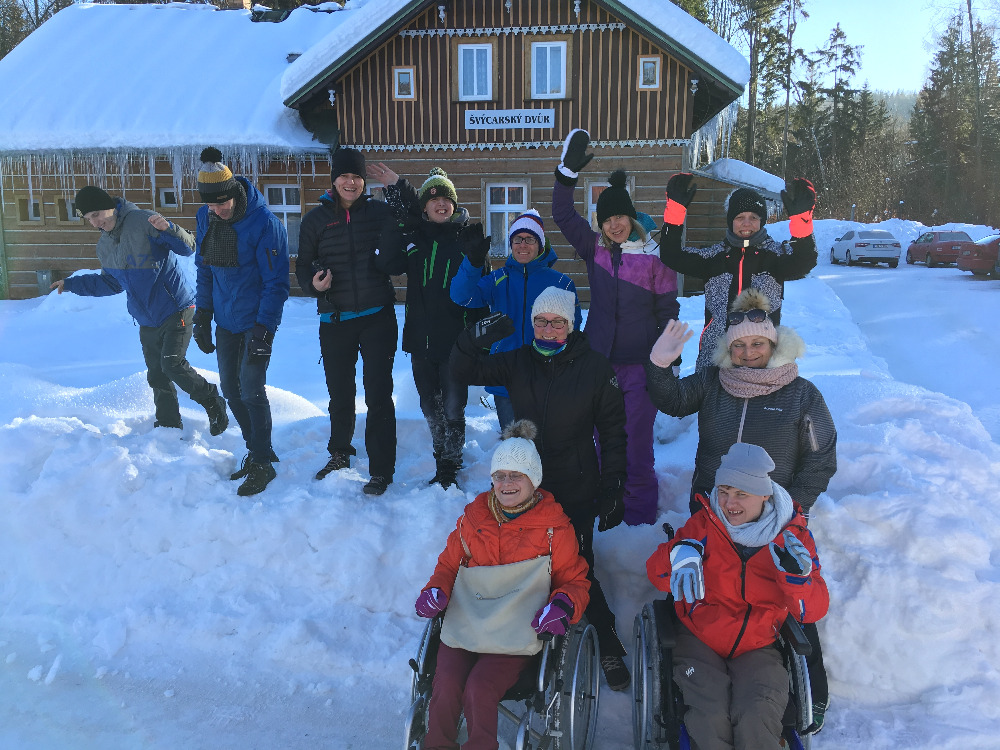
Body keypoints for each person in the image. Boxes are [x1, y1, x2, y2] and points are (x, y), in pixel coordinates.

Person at [450, 286, 632, 692]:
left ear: (571, 325)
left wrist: (614, 484)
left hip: (575, 485)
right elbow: (462, 369)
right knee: (521, 565)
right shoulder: (517, 361)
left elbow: (614, 432)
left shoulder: (596, 368)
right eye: (540, 321)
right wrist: (471, 339)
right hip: (523, 485)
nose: (548, 329)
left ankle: (607, 642)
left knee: (577, 564)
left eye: (557, 322)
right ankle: (514, 645)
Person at [415, 419, 590, 750]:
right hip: (468, 624)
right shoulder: (473, 520)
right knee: (447, 681)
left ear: (533, 480)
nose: (507, 483)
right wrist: (436, 588)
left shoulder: (555, 529)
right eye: (500, 476)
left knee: (480, 686)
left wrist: (563, 603)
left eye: (516, 475)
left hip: (515, 629)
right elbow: (449, 565)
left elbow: (574, 579)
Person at [645, 442, 829, 750]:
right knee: (710, 714)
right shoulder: (703, 525)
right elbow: (657, 575)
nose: (729, 503)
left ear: (765, 495)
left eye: (741, 493)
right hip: (699, 637)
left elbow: (812, 611)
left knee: (758, 712)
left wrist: (798, 580)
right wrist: (678, 553)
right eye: (724, 491)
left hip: (759, 643)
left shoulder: (792, 538)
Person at [552, 128, 680, 526]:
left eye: (620, 216)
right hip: (599, 365)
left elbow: (667, 310)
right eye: (607, 219)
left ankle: (639, 520)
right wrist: (566, 174)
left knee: (636, 446)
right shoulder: (594, 252)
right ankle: (604, 510)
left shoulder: (655, 258)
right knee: (599, 442)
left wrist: (668, 362)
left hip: (642, 368)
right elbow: (561, 214)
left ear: (631, 217)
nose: (614, 224)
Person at [51, 185, 229, 437]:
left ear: (110, 206)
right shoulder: (104, 246)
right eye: (89, 218)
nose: (95, 222)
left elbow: (188, 247)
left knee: (172, 364)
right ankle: (168, 426)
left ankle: (212, 399)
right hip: (146, 317)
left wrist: (169, 229)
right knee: (157, 374)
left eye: (97, 214)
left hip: (175, 307)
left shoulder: (144, 221)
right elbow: (110, 283)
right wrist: (71, 284)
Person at [645, 288, 837, 517]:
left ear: (773, 345)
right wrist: (659, 366)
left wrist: (791, 506)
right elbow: (674, 401)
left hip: (773, 513)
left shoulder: (801, 393)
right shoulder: (711, 381)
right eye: (739, 344)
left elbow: (820, 458)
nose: (748, 352)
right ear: (729, 348)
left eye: (758, 343)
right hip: (711, 508)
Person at [368, 163, 489, 489]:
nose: (441, 204)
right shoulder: (415, 240)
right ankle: (441, 455)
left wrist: (479, 340)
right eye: (433, 199)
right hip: (420, 339)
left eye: (446, 200)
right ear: (424, 207)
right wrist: (397, 222)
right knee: (429, 405)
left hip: (456, 341)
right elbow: (386, 263)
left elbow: (482, 293)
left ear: (453, 204)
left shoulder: (468, 239)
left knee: (452, 405)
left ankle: (451, 464)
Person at [296, 146, 406, 496]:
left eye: (356, 176)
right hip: (335, 319)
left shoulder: (378, 212)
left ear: (362, 181)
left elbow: (411, 217)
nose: (351, 182)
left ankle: (381, 470)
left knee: (378, 393)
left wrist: (397, 185)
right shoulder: (315, 220)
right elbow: (303, 267)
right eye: (344, 176)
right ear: (334, 180)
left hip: (377, 318)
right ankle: (340, 453)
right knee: (340, 393)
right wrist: (313, 284)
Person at [192, 147, 290, 497]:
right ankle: (256, 450)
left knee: (251, 388)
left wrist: (265, 330)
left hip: (255, 322)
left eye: (221, 204)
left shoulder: (265, 224)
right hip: (225, 320)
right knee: (231, 390)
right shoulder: (207, 217)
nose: (216, 211)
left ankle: (263, 461)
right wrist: (202, 314)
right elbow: (204, 269)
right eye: (210, 206)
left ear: (233, 192)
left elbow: (276, 283)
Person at [658, 173, 818, 371]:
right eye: (740, 217)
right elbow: (671, 255)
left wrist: (801, 222)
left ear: (762, 221)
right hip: (716, 359)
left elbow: (806, 260)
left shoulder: (775, 256)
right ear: (730, 221)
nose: (746, 223)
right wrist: (675, 213)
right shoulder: (713, 257)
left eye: (753, 217)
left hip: (763, 359)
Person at [449, 208, 582, 430]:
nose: (523, 244)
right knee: (514, 447)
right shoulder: (498, 279)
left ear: (540, 245)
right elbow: (463, 297)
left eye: (529, 239)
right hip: (506, 378)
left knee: (548, 444)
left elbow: (573, 331)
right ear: (511, 244)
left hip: (547, 377)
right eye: (518, 239)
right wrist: (472, 263)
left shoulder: (561, 283)